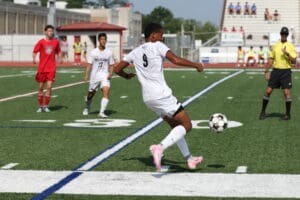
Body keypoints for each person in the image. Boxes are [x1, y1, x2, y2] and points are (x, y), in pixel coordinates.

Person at [114, 22, 204, 171]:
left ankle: (189, 159)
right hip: (161, 95)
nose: (162, 38)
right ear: (152, 35)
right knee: (187, 125)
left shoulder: (135, 52)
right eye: (161, 35)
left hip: (148, 99)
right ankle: (159, 148)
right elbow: (175, 60)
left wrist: (126, 76)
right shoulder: (157, 46)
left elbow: (117, 69)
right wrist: (195, 65)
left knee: (176, 127)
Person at [259, 27, 297, 121]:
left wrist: (287, 54)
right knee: (268, 91)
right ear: (280, 34)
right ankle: (263, 112)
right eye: (282, 34)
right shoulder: (275, 45)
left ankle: (287, 115)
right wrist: (266, 71)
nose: (284, 35)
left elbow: (294, 61)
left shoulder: (291, 46)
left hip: (286, 72)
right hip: (276, 71)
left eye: (285, 34)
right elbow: (271, 60)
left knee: (286, 93)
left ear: (287, 35)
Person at [82, 33, 115, 118]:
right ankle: (87, 107)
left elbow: (111, 65)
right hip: (94, 76)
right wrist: (86, 75)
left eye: (105, 39)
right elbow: (89, 65)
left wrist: (111, 73)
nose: (103, 41)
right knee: (90, 95)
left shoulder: (109, 53)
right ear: (99, 40)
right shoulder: (93, 52)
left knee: (106, 91)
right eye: (102, 39)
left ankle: (102, 112)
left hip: (105, 75)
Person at [32, 24, 62, 113]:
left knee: (49, 87)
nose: (51, 32)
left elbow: (59, 51)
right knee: (41, 87)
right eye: (49, 31)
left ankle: (46, 106)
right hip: (42, 68)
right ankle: (40, 106)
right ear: (45, 32)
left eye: (52, 31)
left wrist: (60, 58)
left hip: (51, 68)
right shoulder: (41, 42)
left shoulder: (56, 42)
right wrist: (34, 59)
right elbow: (35, 51)